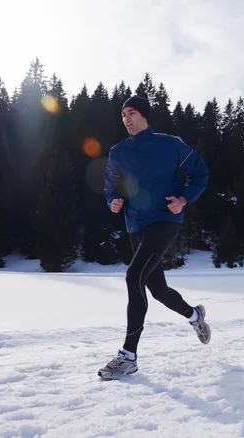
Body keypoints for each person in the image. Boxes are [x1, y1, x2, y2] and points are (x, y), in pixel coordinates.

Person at [98, 95, 211, 380]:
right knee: (157, 289)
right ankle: (194, 315)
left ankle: (128, 356)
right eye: (123, 114)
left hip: (164, 219)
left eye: (132, 113)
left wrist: (184, 199)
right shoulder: (118, 152)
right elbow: (111, 183)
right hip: (136, 225)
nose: (126, 118)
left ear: (145, 116)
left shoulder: (170, 144)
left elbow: (199, 173)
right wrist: (114, 199)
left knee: (133, 276)